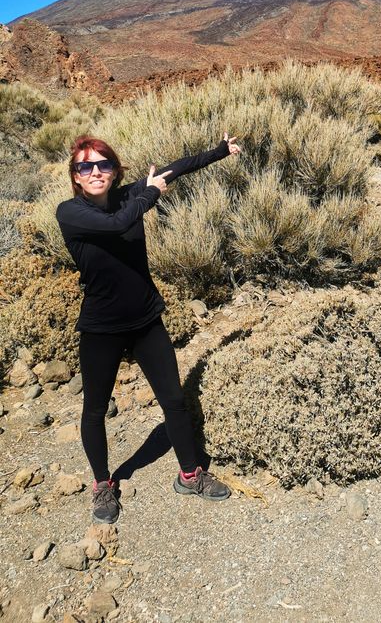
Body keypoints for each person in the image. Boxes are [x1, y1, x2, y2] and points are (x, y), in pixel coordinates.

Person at [55, 131, 241, 524]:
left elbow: (178, 168)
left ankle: (190, 474)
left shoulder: (128, 195)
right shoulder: (70, 213)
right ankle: (103, 484)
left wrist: (219, 152)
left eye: (103, 164)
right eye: (85, 166)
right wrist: (150, 193)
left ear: (114, 169)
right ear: (75, 176)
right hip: (101, 328)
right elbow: (120, 221)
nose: (95, 171)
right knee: (95, 410)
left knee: (173, 399)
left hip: (145, 320)